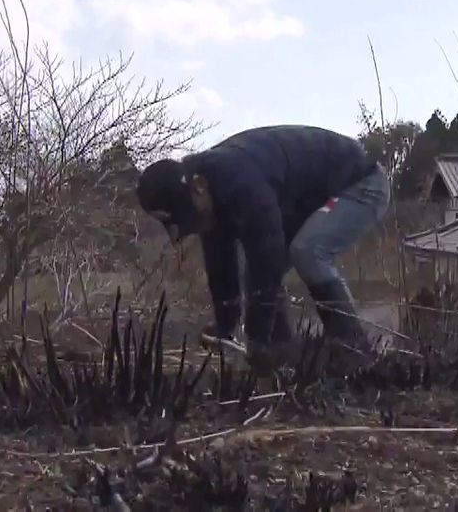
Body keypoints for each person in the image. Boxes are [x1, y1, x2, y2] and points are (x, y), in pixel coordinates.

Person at [135, 125, 391, 373]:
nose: (197, 226)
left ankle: (355, 353)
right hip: (314, 196)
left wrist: (256, 338)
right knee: (261, 268)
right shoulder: (208, 192)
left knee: (307, 252)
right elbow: (220, 263)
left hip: (362, 183)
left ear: (199, 187)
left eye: (192, 218)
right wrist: (225, 324)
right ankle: (283, 358)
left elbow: (266, 257)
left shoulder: (239, 181)